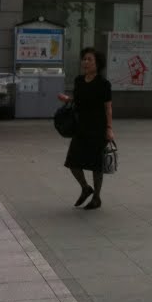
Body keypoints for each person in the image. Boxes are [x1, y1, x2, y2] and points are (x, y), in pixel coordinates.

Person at [58, 47, 114, 209]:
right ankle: (85, 188)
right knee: (73, 162)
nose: (86, 62)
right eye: (84, 59)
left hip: (98, 128)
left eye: (90, 59)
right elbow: (79, 101)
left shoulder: (103, 84)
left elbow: (108, 108)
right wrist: (68, 99)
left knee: (96, 165)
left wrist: (109, 128)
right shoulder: (79, 81)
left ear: (98, 63)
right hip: (81, 127)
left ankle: (96, 197)